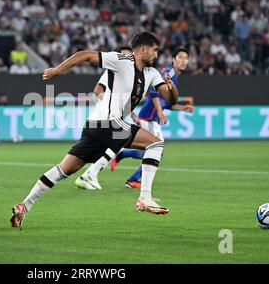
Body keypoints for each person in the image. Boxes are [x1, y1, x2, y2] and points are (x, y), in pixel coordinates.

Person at [10, 32, 179, 228]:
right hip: (109, 124)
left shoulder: (152, 74)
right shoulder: (122, 60)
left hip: (95, 126)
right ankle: (145, 197)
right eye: (155, 50)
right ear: (143, 49)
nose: (157, 55)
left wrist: (171, 87)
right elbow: (85, 55)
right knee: (156, 143)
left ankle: (24, 206)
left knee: (65, 169)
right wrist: (57, 70)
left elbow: (170, 97)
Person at [111, 48, 194, 189]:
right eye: (181, 57)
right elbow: (153, 92)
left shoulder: (175, 79)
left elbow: (167, 104)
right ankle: (132, 178)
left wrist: (183, 108)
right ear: (173, 59)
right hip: (148, 118)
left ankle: (124, 159)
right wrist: (160, 112)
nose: (184, 61)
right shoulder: (169, 73)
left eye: (186, 58)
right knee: (157, 150)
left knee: (153, 150)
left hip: (152, 119)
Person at [74, 45, 133, 190]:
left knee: (115, 146)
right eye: (124, 55)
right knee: (115, 145)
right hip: (104, 117)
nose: (127, 59)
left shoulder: (131, 75)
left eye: (129, 56)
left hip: (113, 117)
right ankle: (88, 174)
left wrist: (131, 113)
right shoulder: (113, 71)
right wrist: (109, 102)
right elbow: (98, 90)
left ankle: (89, 174)